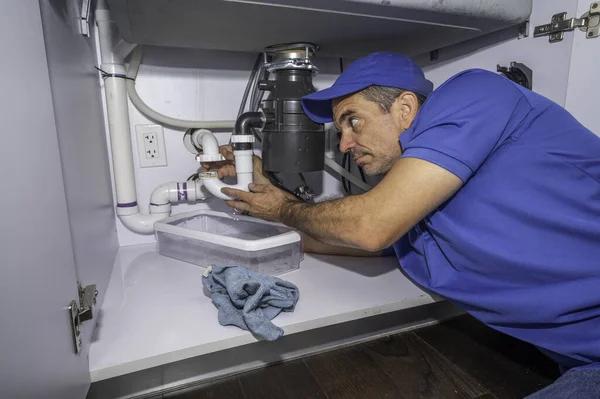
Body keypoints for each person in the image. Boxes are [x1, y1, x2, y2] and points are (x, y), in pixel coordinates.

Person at [207, 52, 600, 398]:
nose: (344, 144)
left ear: (406, 108)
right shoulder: (415, 210)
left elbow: (368, 226)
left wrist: (282, 210)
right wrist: (267, 197)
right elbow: (349, 233)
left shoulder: (475, 93)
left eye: (352, 121)